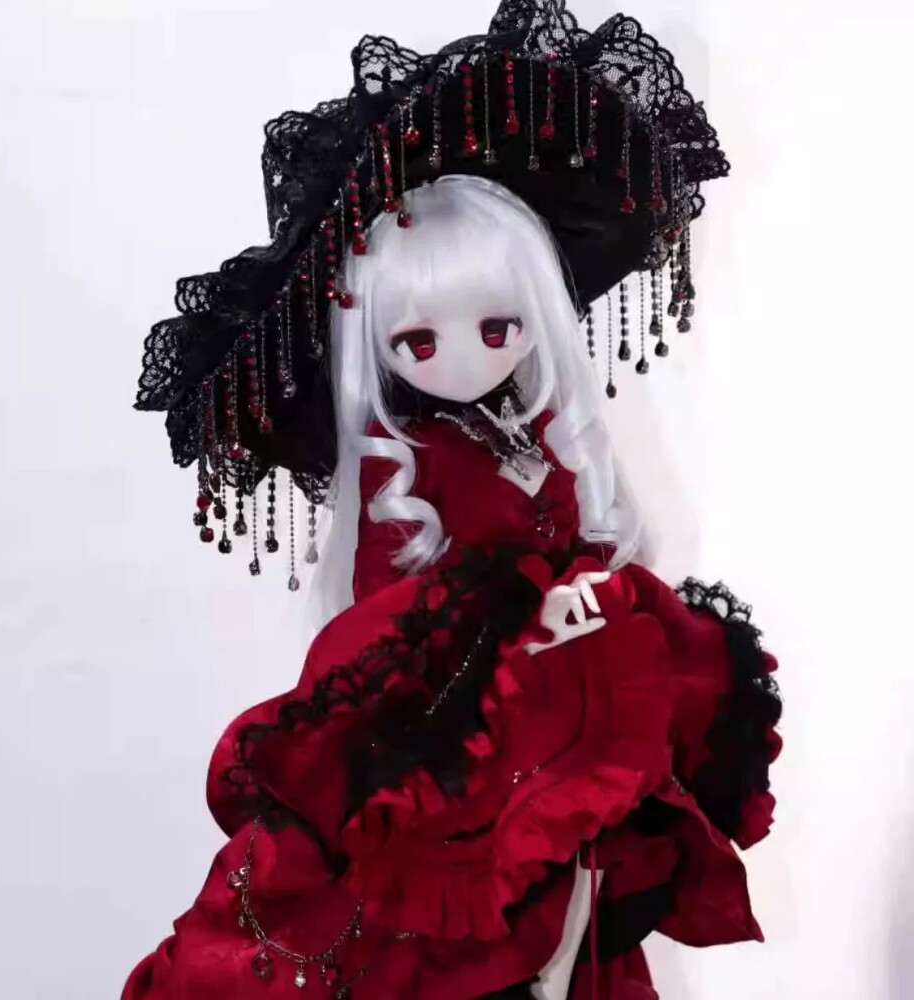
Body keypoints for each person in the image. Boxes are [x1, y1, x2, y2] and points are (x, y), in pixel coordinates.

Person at [128, 7, 782, 997]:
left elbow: (590, 556)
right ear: (376, 347)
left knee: (584, 899)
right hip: (465, 761)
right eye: (419, 341)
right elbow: (382, 630)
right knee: (458, 939)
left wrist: (592, 605)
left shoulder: (541, 441)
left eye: (499, 326)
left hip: (570, 731)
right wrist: (520, 622)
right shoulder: (408, 469)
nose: (467, 358)